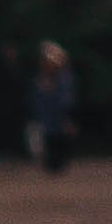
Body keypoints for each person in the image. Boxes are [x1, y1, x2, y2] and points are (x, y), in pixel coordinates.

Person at [24, 39, 78, 174]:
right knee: (41, 153)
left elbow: (66, 102)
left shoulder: (64, 80)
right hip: (42, 123)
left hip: (58, 125)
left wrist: (67, 119)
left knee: (57, 162)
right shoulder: (37, 80)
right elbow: (33, 103)